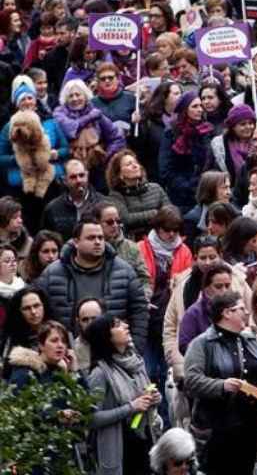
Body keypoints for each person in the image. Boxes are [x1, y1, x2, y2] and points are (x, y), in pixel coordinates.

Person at [183, 291, 257, 475]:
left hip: (250, 427)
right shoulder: (202, 344)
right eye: (241, 309)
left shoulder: (252, 340)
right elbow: (191, 381)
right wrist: (221, 386)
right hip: (218, 429)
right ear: (227, 313)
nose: (247, 312)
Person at [37, 218, 148, 350]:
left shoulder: (124, 270)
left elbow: (139, 311)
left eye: (101, 238)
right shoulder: (52, 274)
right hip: (68, 353)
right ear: (76, 242)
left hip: (114, 353)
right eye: (91, 238)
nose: (97, 242)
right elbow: (39, 315)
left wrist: (135, 347)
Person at [83, 313, 161, 475]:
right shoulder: (100, 373)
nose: (126, 326)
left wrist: (154, 398)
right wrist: (131, 407)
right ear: (106, 336)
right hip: (120, 447)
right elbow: (90, 419)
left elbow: (143, 394)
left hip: (144, 439)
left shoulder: (135, 361)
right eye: (117, 325)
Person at [106, 149, 173, 241]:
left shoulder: (156, 188)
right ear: (120, 175)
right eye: (129, 164)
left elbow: (170, 214)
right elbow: (126, 219)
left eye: (136, 163)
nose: (135, 166)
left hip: (161, 238)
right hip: (133, 241)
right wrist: (155, 213)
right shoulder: (116, 195)